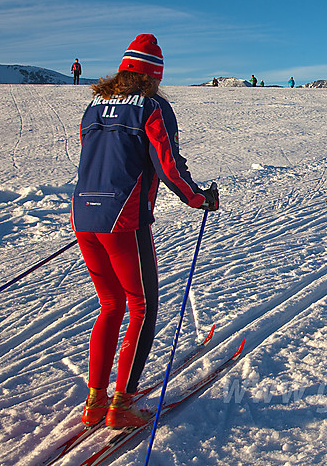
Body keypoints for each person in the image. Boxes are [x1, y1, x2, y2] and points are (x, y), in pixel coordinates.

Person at [70, 34, 219, 429]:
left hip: (84, 216)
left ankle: (95, 400)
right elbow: (167, 163)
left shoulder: (92, 106)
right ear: (154, 75)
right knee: (142, 306)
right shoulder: (153, 107)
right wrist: (198, 199)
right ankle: (122, 403)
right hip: (123, 218)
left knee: (111, 305)